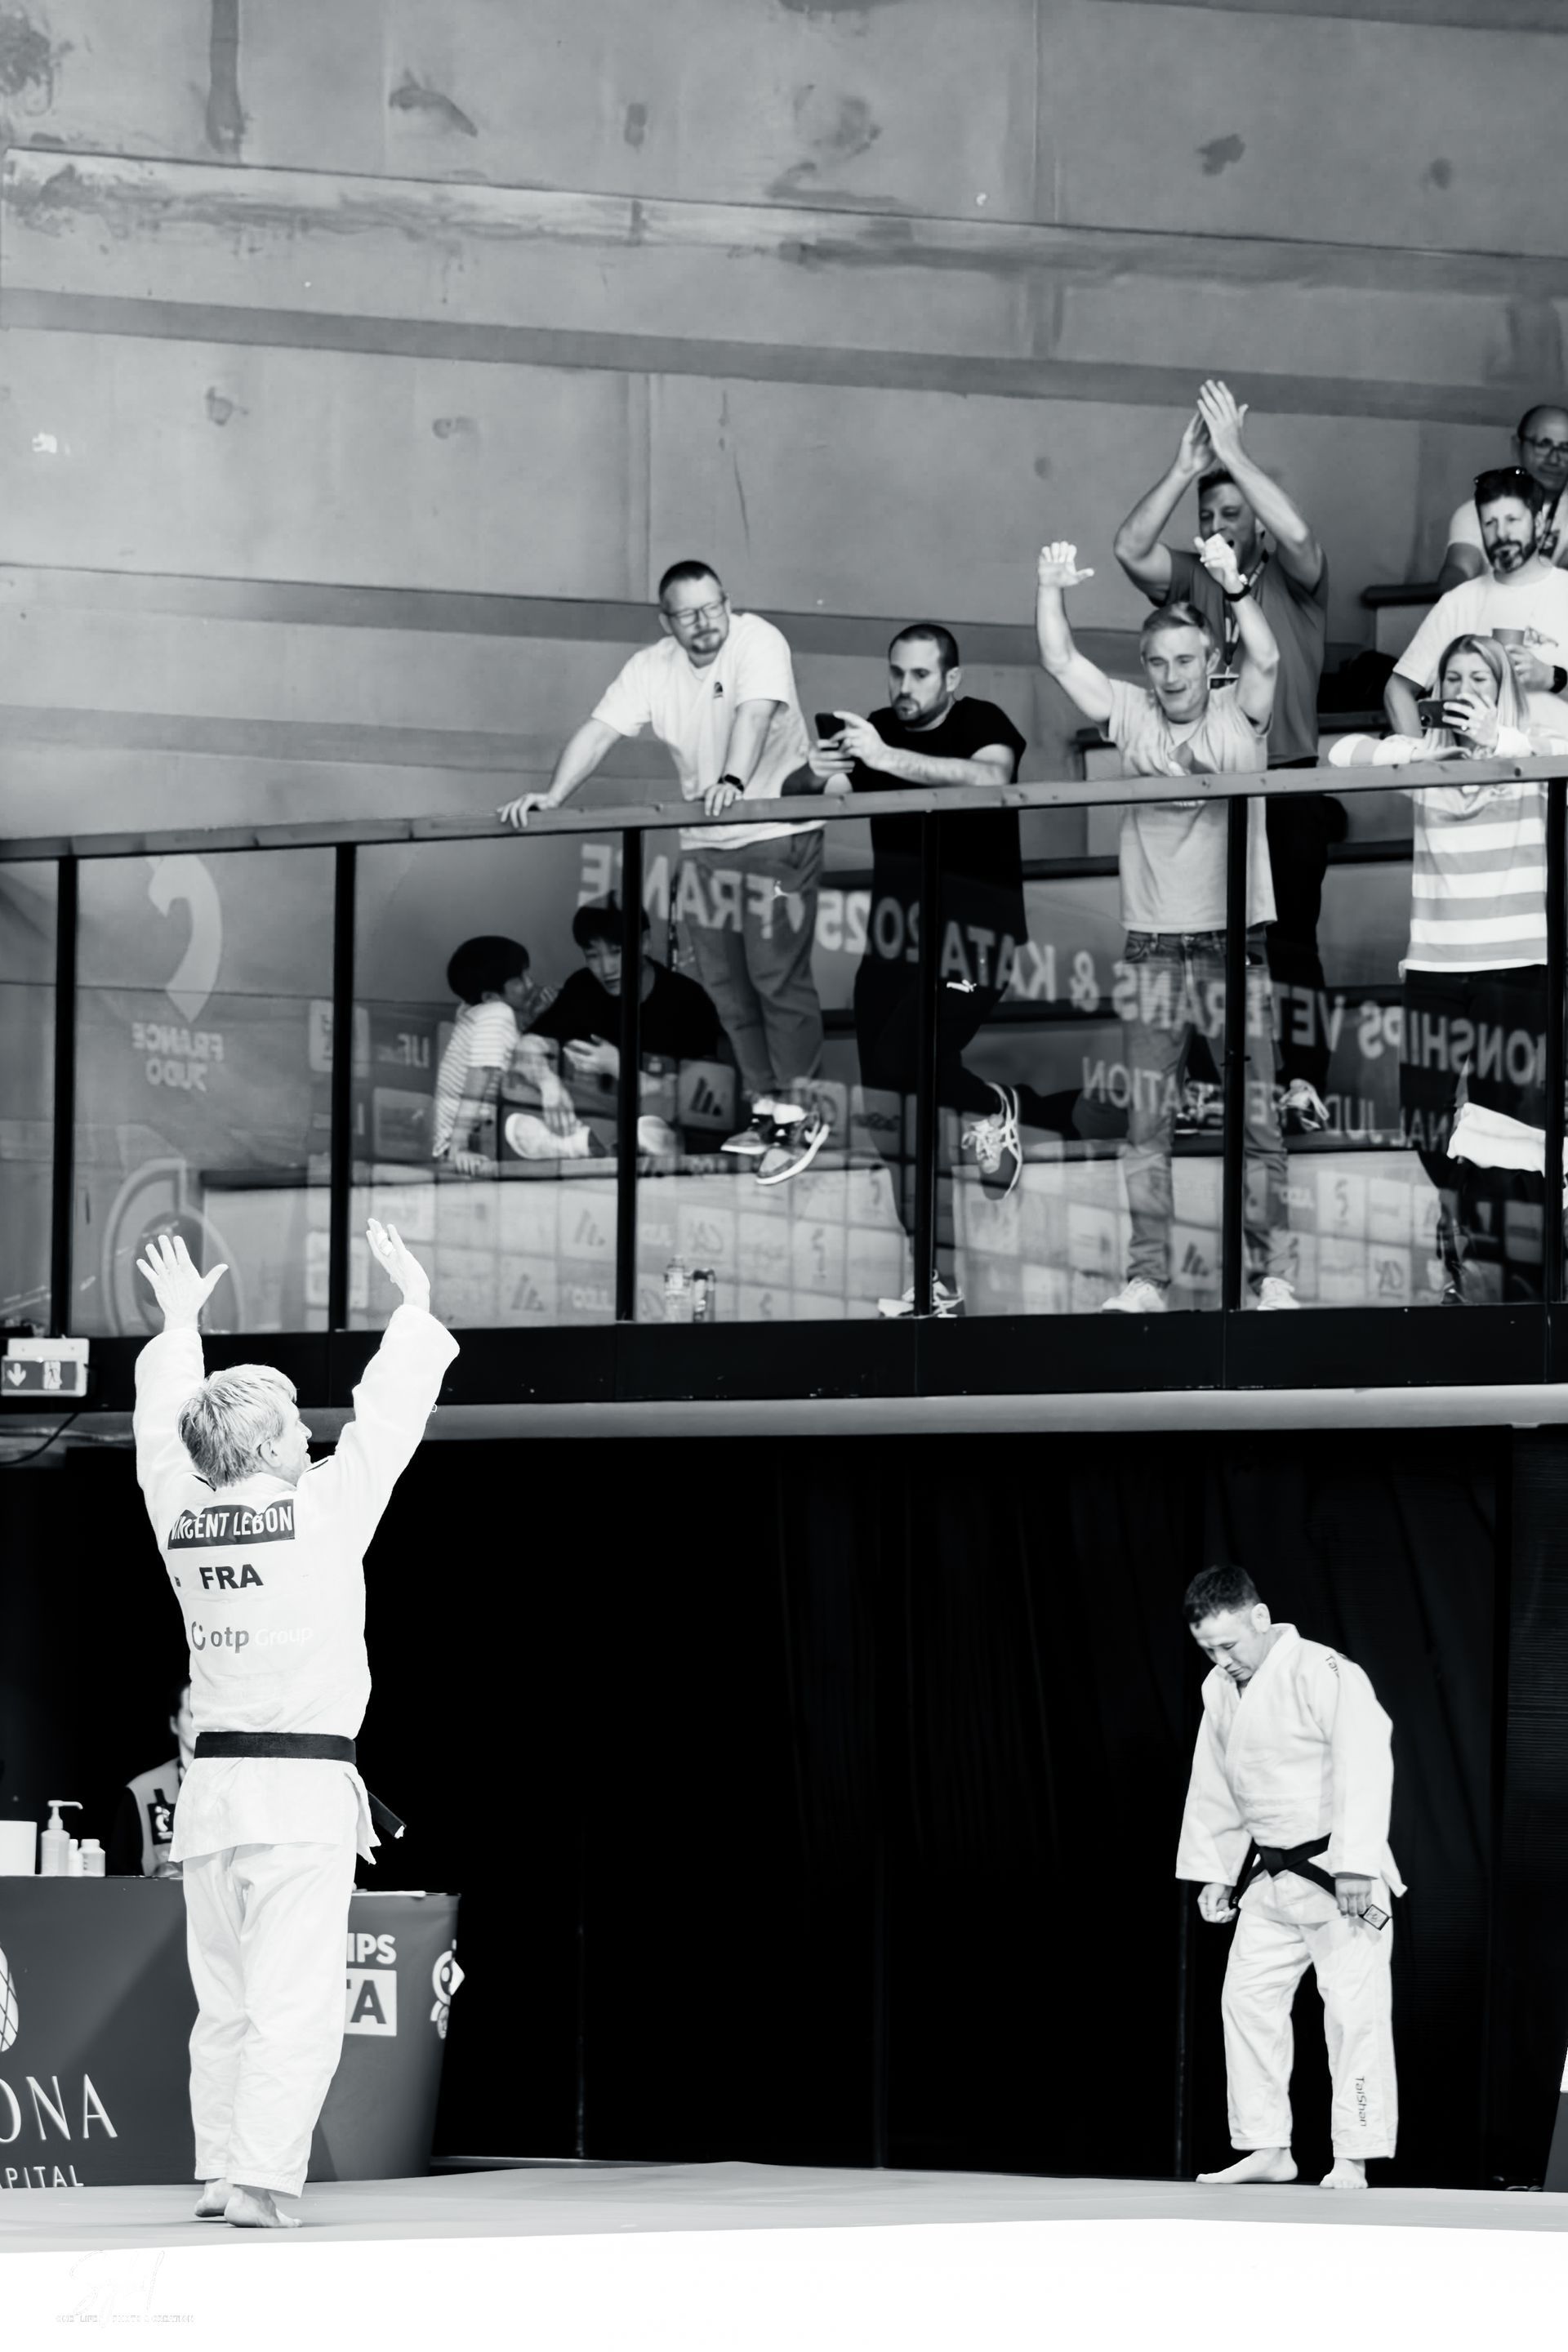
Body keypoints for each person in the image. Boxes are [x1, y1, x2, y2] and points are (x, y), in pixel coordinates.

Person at [133, 1222, 458, 2230]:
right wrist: (413, 1309)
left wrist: (178, 1330)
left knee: (226, 1998)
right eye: (290, 1430)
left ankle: (221, 2171)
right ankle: (264, 2183)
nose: (307, 1438)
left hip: (214, 1797)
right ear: (264, 1446)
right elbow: (386, 1424)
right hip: (299, 1795)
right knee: (292, 2001)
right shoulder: (318, 1514)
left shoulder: (181, 1517)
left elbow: (159, 1437)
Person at [497, 560, 829, 1184]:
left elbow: (754, 716)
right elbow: (599, 732)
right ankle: (768, 1108)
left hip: (774, 834)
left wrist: (732, 781)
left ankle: (802, 1111)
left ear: (727, 602)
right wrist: (554, 795)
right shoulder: (652, 667)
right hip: (706, 842)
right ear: (665, 620)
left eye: (712, 607)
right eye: (687, 614)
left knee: (775, 977)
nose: (704, 622)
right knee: (726, 986)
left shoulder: (758, 640)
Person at [1035, 536, 1296, 1313]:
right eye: (1158, 663)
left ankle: (1271, 1277)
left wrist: (1235, 587)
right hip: (1151, 946)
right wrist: (1050, 587)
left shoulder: (1238, 712)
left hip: (1231, 945)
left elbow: (1269, 658)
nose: (1172, 676)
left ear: (1211, 659)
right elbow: (1059, 660)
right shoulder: (1132, 713)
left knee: (1257, 1125)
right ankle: (1147, 1278)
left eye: (1185, 660)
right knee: (1147, 1127)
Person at [804, 625, 1049, 1308]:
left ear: (951, 679)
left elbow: (990, 776)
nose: (904, 687)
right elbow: (815, 790)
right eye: (896, 673)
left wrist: (886, 757)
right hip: (894, 944)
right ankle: (933, 1278)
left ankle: (992, 1106)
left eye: (919, 675)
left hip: (977, 937)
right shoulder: (877, 729)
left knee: (911, 1056)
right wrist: (813, 766)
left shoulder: (981, 721)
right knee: (888, 1103)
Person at [1114, 382, 1334, 1131]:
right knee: (1209, 939)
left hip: (1286, 776)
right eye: (1207, 517)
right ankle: (1214, 1090)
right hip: (1209, 786)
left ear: (1257, 527)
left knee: (1291, 939)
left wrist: (1235, 454)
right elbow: (1130, 549)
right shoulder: (1191, 580)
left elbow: (1298, 534)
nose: (1216, 528)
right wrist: (1186, 468)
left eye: (1231, 515)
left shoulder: (1293, 579)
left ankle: (1302, 1084)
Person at [1331, 635, 1562, 1303]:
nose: (1465, 690)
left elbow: (1557, 756)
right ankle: (1468, 1225)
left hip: (1517, 965)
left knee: (1510, 1133)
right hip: (1435, 963)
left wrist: (1499, 740)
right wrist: (1415, 750)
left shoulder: (1529, 750)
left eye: (1480, 679)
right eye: (1453, 679)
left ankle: (1516, 1284)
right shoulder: (1426, 762)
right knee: (1425, 1121)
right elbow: (1340, 754)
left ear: (1503, 690)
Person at [1176, 1564, 1401, 2190]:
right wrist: (1215, 1872)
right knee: (1246, 2002)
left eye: (1229, 1645)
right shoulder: (1220, 1689)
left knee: (1353, 2015)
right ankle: (1267, 2146)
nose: (1222, 1660)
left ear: (1260, 1617)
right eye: (1208, 1650)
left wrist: (1356, 1863)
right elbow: (1215, 1783)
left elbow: (1365, 1763)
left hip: (1338, 1874)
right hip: (1270, 1878)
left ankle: (1353, 2155)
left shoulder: (1324, 1671)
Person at [505, 894, 726, 1165]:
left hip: (665, 1114)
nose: (606, 968)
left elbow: (705, 1099)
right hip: (605, 1109)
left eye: (617, 952)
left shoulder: (687, 998)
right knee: (519, 1096)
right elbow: (529, 1044)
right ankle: (602, 1145)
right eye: (593, 955)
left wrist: (618, 1066)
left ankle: (593, 1145)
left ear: (645, 943)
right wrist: (549, 1085)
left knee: (658, 1115)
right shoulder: (583, 987)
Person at [1387, 470, 1568, 741]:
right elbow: (1398, 690)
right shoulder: (1459, 602)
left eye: (1512, 520)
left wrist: (1552, 678)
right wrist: (1420, 757)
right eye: (1490, 523)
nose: (1501, 534)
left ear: (1539, 524)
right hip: (1479, 767)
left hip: (1558, 764)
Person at [430, 935, 555, 1174]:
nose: (530, 984)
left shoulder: (473, 1010)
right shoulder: (498, 1014)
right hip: (463, 1143)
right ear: (489, 996)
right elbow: (479, 1076)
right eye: (519, 979)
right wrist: (458, 1147)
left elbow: (504, 1047)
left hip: (459, 1140)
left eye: (527, 974)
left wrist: (533, 1016)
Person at [1437, 403, 1568, 595]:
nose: (1555, 459)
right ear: (1517, 447)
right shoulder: (1479, 510)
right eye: (1543, 445)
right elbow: (1459, 569)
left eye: (1565, 448)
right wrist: (1459, 600)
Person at [107, 1678, 193, 1877]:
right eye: (193, 1714)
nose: (202, 1724)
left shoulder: (242, 1787)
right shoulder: (142, 1791)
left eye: (208, 1715)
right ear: (174, 1723)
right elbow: (119, 1876)